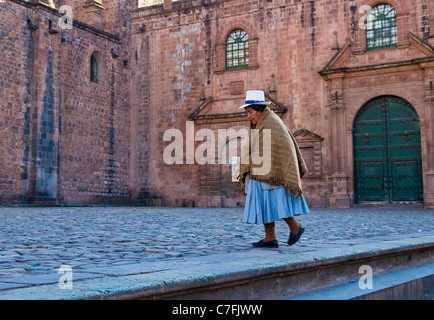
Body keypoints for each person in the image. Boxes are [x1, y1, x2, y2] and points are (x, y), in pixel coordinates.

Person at [238, 90, 310, 248]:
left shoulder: (271, 123)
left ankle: (295, 227)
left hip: (272, 172)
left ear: (259, 110)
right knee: (265, 204)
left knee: (275, 203)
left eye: (250, 112)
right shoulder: (260, 123)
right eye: (247, 113)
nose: (248, 116)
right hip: (261, 171)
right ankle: (270, 237)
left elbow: (277, 147)